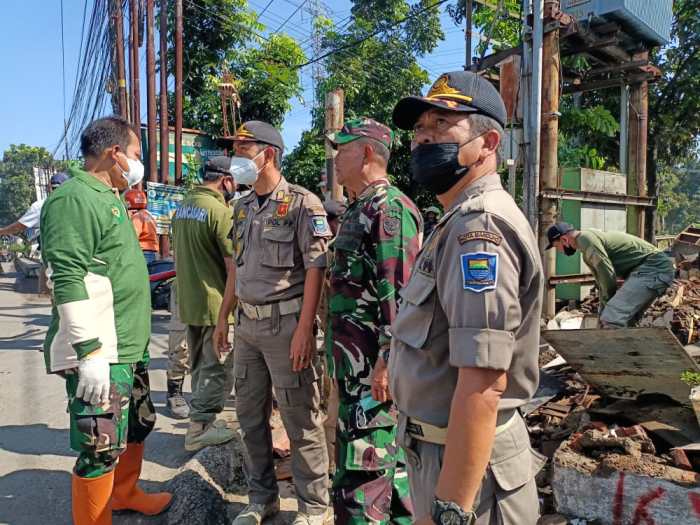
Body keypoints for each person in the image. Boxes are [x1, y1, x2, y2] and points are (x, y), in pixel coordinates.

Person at [389, 71, 546, 525]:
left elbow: (482, 384)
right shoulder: (454, 220)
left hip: (468, 474)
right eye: (419, 129)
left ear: (489, 141)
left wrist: (449, 509)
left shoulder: (479, 230)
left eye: (442, 125)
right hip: (440, 452)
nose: (423, 139)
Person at [40, 116, 171, 525]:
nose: (137, 164)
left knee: (136, 426)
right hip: (103, 350)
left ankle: (125, 492)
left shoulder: (109, 195)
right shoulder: (74, 198)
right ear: (115, 154)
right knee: (100, 445)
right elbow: (66, 275)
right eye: (135, 155)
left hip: (129, 347)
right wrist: (89, 351)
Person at [213, 121, 332, 525]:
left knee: (301, 418)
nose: (238, 157)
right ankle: (261, 499)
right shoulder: (242, 207)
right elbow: (238, 269)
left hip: (286, 326)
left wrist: (304, 328)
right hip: (247, 327)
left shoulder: (303, 204)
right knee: (250, 418)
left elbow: (316, 267)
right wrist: (223, 317)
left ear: (269, 154)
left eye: (245, 149)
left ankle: (314, 507)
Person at [325, 117, 422, 524]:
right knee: (386, 475)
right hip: (355, 367)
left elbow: (400, 294)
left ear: (366, 153)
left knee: (363, 478)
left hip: (373, 373)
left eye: (342, 149)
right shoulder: (359, 208)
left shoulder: (389, 209)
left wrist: (388, 360)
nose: (334, 159)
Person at [171, 156, 238, 451]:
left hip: (190, 300)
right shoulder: (220, 211)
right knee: (218, 368)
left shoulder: (184, 207)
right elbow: (232, 265)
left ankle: (203, 423)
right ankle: (198, 429)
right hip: (215, 303)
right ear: (226, 180)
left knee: (199, 364)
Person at [546, 223, 676, 327]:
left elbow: (606, 274)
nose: (560, 252)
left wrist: (608, 301)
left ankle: (610, 359)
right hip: (650, 269)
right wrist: (604, 304)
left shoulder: (586, 240)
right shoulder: (587, 241)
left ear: (564, 239)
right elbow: (603, 280)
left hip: (652, 268)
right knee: (626, 320)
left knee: (612, 318)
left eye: (557, 247)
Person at [0, 172, 70, 236]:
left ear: (50, 187)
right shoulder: (75, 205)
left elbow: (19, 227)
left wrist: (2, 231)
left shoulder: (41, 206)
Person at [165, 280, 191, 419]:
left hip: (219, 284)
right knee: (181, 345)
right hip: (187, 282)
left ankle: (203, 395)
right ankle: (174, 393)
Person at [124, 188, 160, 264]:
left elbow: (133, 236)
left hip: (143, 252)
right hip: (152, 251)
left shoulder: (137, 217)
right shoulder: (148, 214)